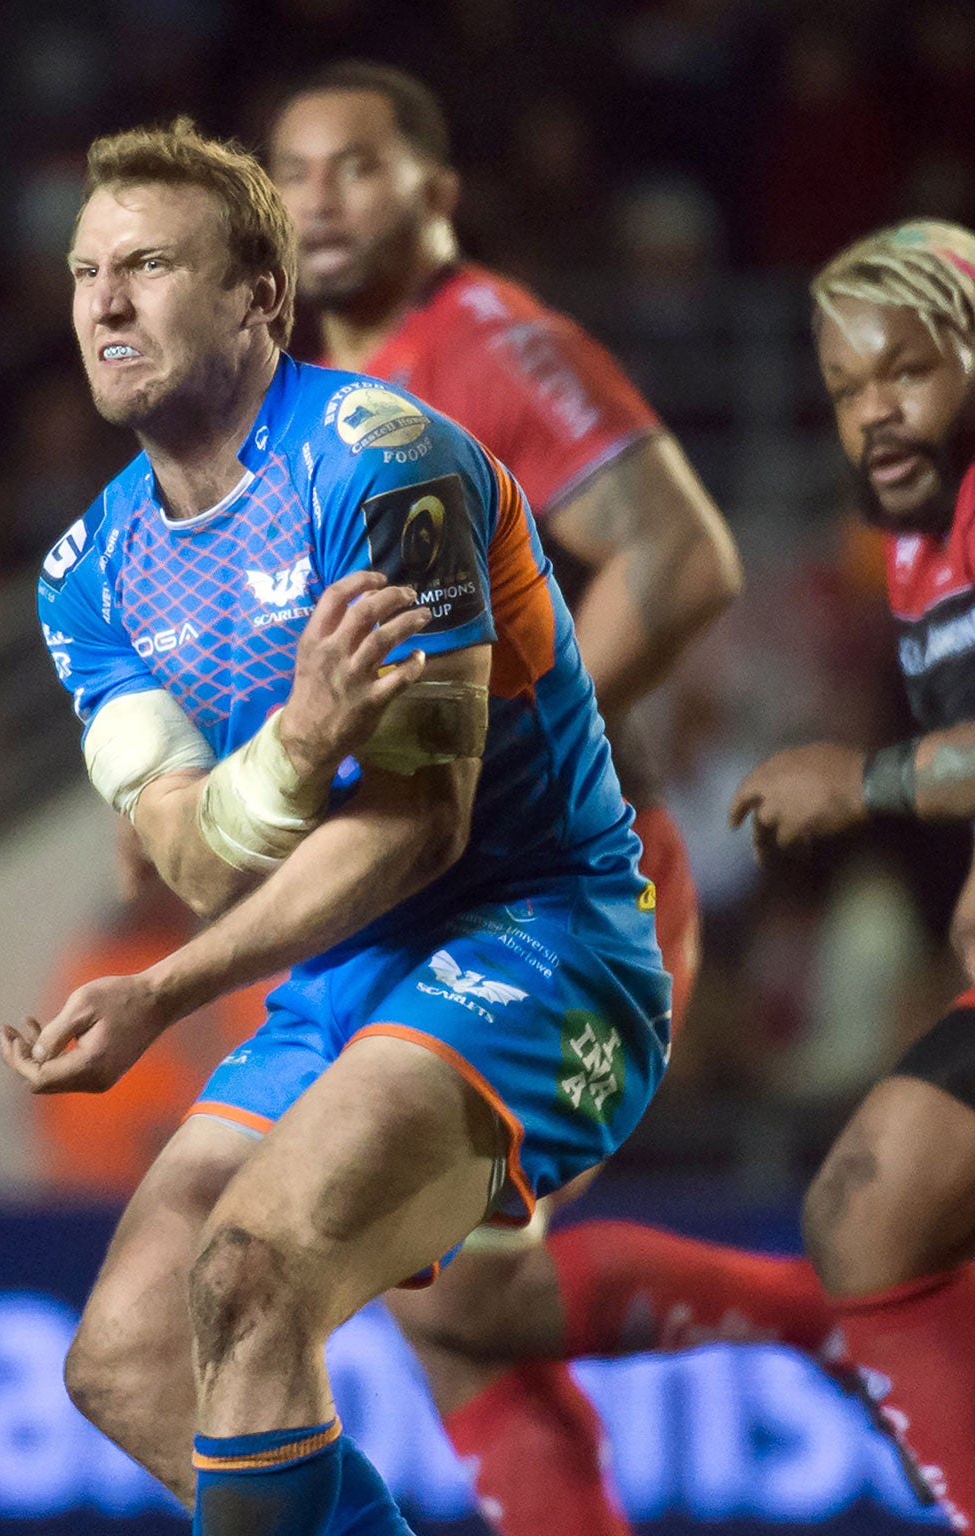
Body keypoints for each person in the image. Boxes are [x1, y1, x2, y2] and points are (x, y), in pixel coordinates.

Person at [9, 118, 671, 1535]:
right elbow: (193, 856)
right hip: (342, 985)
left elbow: (423, 831)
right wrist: (301, 747)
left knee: (250, 1275)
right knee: (125, 1360)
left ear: (262, 297)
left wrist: (161, 995)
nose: (106, 303)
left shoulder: (386, 467)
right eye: (84, 272)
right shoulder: (86, 578)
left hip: (537, 940)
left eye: (148, 266)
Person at [263, 63, 845, 1536]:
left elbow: (683, 555)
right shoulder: (322, 388)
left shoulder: (486, 341)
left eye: (358, 166)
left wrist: (515, 741)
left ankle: (848, 1307)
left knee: (447, 1281)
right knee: (450, 1306)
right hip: (448, 886)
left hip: (561, 880)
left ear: (437, 192)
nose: (319, 199)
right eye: (295, 171)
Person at [732, 218, 975, 1529]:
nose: (874, 414)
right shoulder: (910, 543)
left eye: (908, 372)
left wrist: (866, 780)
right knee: (869, 1220)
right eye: (844, 391)